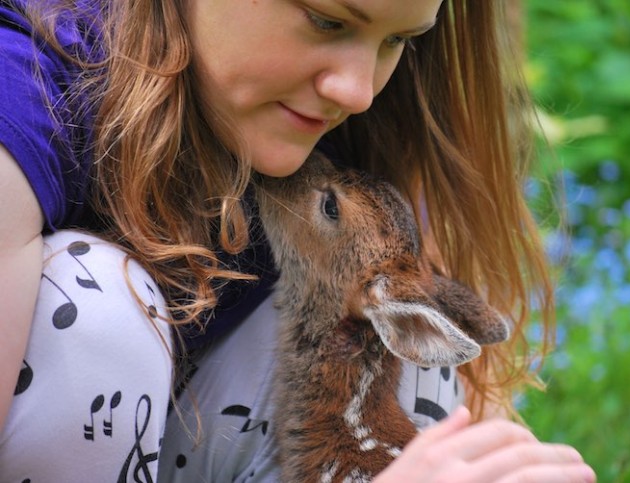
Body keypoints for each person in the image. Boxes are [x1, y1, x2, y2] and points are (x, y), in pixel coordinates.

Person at [0, 0, 596, 482]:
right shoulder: (26, 94)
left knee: (400, 352)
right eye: (327, 20)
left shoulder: (356, 124)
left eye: (397, 40)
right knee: (98, 302)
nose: (359, 91)